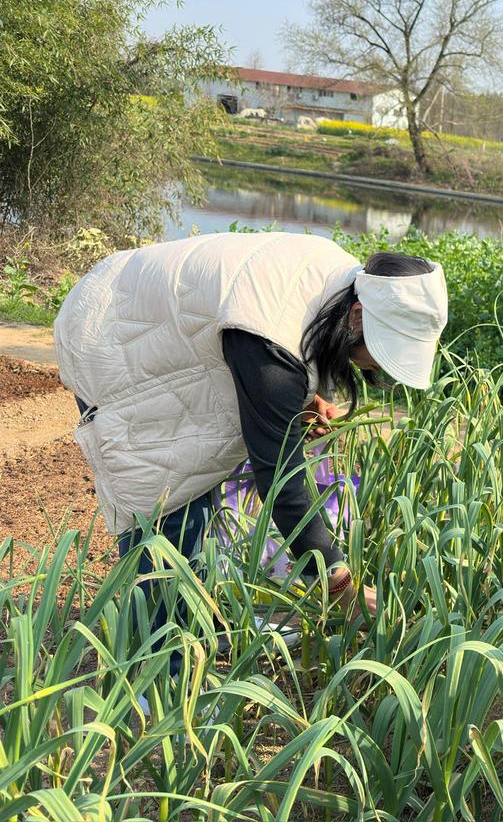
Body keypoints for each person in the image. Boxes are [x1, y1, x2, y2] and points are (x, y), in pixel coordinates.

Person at [54, 231, 448, 662]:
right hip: (112, 334)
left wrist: (305, 396)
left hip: (153, 320)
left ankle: (195, 624)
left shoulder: (340, 279)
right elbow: (281, 482)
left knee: (195, 494)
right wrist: (340, 585)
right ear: (357, 315)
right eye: (382, 351)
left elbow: (285, 344)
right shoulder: (273, 340)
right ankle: (157, 664)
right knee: (168, 500)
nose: (377, 365)